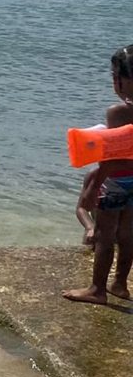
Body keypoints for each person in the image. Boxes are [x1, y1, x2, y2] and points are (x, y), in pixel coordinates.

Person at [64, 45, 133, 305]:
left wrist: (96, 183)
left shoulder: (118, 112)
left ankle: (98, 290)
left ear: (123, 80)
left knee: (106, 235)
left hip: (117, 181)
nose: (114, 82)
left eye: (115, 76)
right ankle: (120, 285)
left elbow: (116, 155)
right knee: (127, 235)